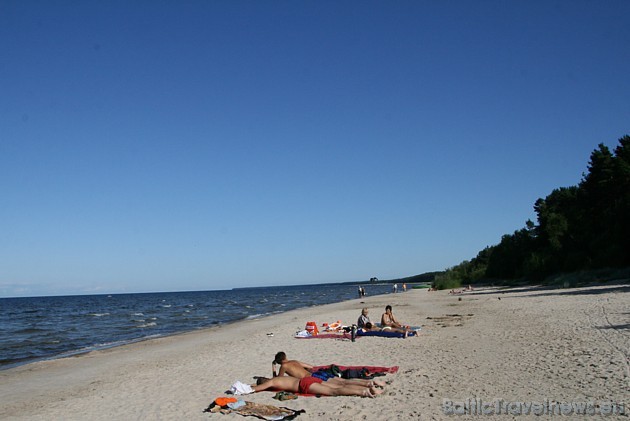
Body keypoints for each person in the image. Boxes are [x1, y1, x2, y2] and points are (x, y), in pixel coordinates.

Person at [271, 352, 386, 388]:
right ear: (286, 357)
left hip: (312, 378)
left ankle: (369, 385)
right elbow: (310, 366)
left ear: (280, 362)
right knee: (343, 381)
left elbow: (278, 380)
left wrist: (273, 369)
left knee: (340, 386)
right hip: (316, 373)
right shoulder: (294, 361)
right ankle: (370, 382)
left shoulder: (284, 366)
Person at [252, 375, 383, 398]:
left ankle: (365, 392)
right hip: (308, 379)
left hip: (304, 384)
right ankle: (369, 383)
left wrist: (250, 388)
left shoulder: (272, 382)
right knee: (341, 383)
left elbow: (257, 389)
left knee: (334, 391)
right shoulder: (277, 379)